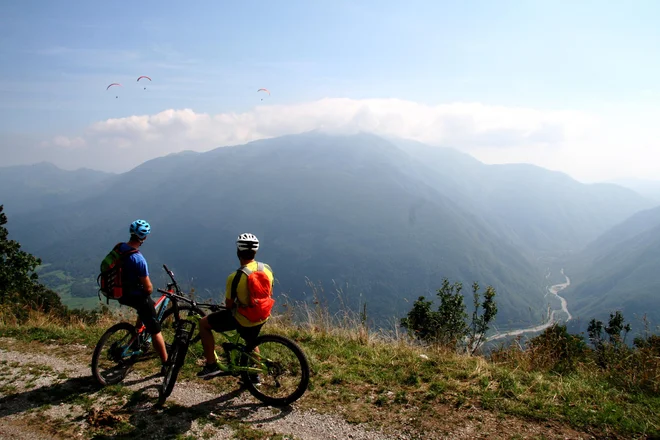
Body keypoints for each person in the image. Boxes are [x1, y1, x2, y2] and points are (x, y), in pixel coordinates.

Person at [196, 233, 274, 380]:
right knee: (250, 340)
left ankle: (211, 364)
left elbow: (229, 305)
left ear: (238, 252)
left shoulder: (235, 277)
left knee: (204, 323)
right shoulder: (267, 269)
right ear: (255, 251)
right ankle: (254, 375)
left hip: (244, 318)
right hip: (263, 315)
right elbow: (269, 292)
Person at [116, 219, 169, 371]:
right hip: (135, 295)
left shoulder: (120, 248)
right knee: (156, 331)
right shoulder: (138, 259)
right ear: (144, 238)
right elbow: (148, 288)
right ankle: (166, 364)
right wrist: (149, 288)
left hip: (121, 293)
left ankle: (137, 335)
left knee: (145, 307)